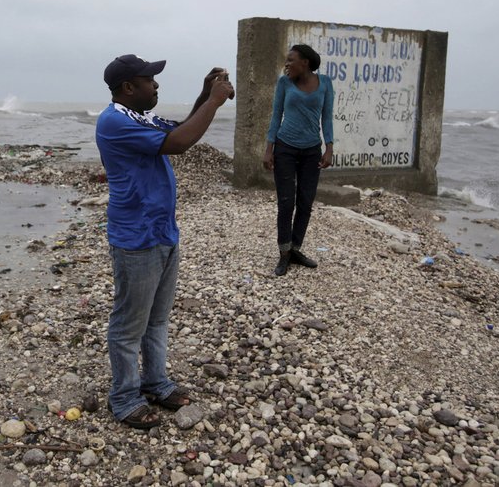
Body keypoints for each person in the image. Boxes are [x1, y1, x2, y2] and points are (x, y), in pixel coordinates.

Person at [95, 54, 234, 429]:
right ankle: (124, 397)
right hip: (136, 238)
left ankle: (155, 383)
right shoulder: (114, 122)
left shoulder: (141, 117)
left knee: (157, 319)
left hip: (162, 232)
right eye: (149, 80)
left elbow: (180, 128)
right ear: (128, 88)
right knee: (129, 325)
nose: (156, 85)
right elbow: (179, 143)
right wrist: (215, 102)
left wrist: (205, 94)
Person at [262, 44, 334, 276]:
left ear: (305, 62)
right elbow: (276, 115)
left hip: (312, 150)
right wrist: (268, 148)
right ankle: (283, 254)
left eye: (291, 60)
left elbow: (327, 117)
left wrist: (329, 148)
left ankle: (296, 249)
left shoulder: (325, 83)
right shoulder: (285, 83)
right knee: (286, 202)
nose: (287, 64)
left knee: (305, 202)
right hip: (285, 148)